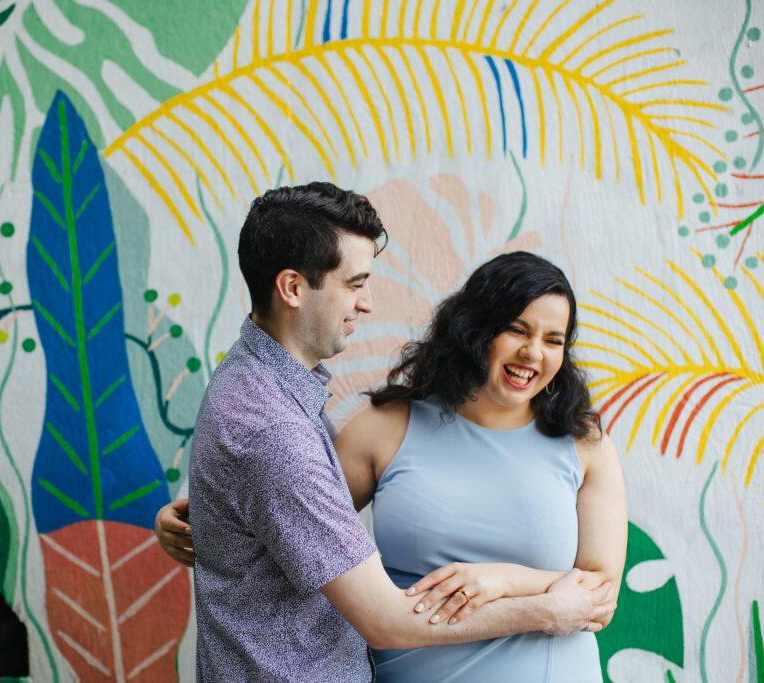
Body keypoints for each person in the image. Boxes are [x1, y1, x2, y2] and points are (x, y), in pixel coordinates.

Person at [173, 182, 616, 682]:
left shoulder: (271, 393)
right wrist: (543, 610)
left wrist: (204, 518)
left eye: (553, 339)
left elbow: (291, 510)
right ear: (293, 289)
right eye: (355, 283)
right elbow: (382, 619)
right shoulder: (279, 427)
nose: (366, 303)